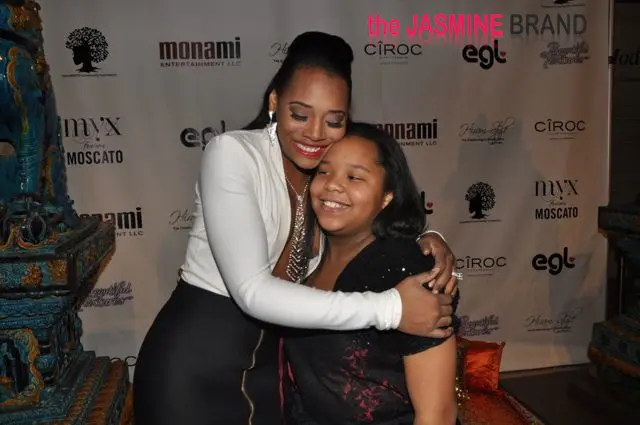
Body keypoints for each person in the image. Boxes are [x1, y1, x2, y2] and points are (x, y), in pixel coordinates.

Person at [133, 32, 459, 425]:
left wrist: (430, 240)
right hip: (195, 366)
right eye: (300, 115)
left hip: (268, 371)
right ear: (274, 102)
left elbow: (371, 206)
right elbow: (253, 291)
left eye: (333, 120)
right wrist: (392, 308)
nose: (315, 133)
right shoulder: (233, 153)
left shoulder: (320, 176)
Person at [283, 122, 459, 425]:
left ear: (387, 196)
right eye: (324, 172)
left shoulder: (407, 269)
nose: (333, 185)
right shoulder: (302, 254)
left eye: (354, 177)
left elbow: (437, 413)